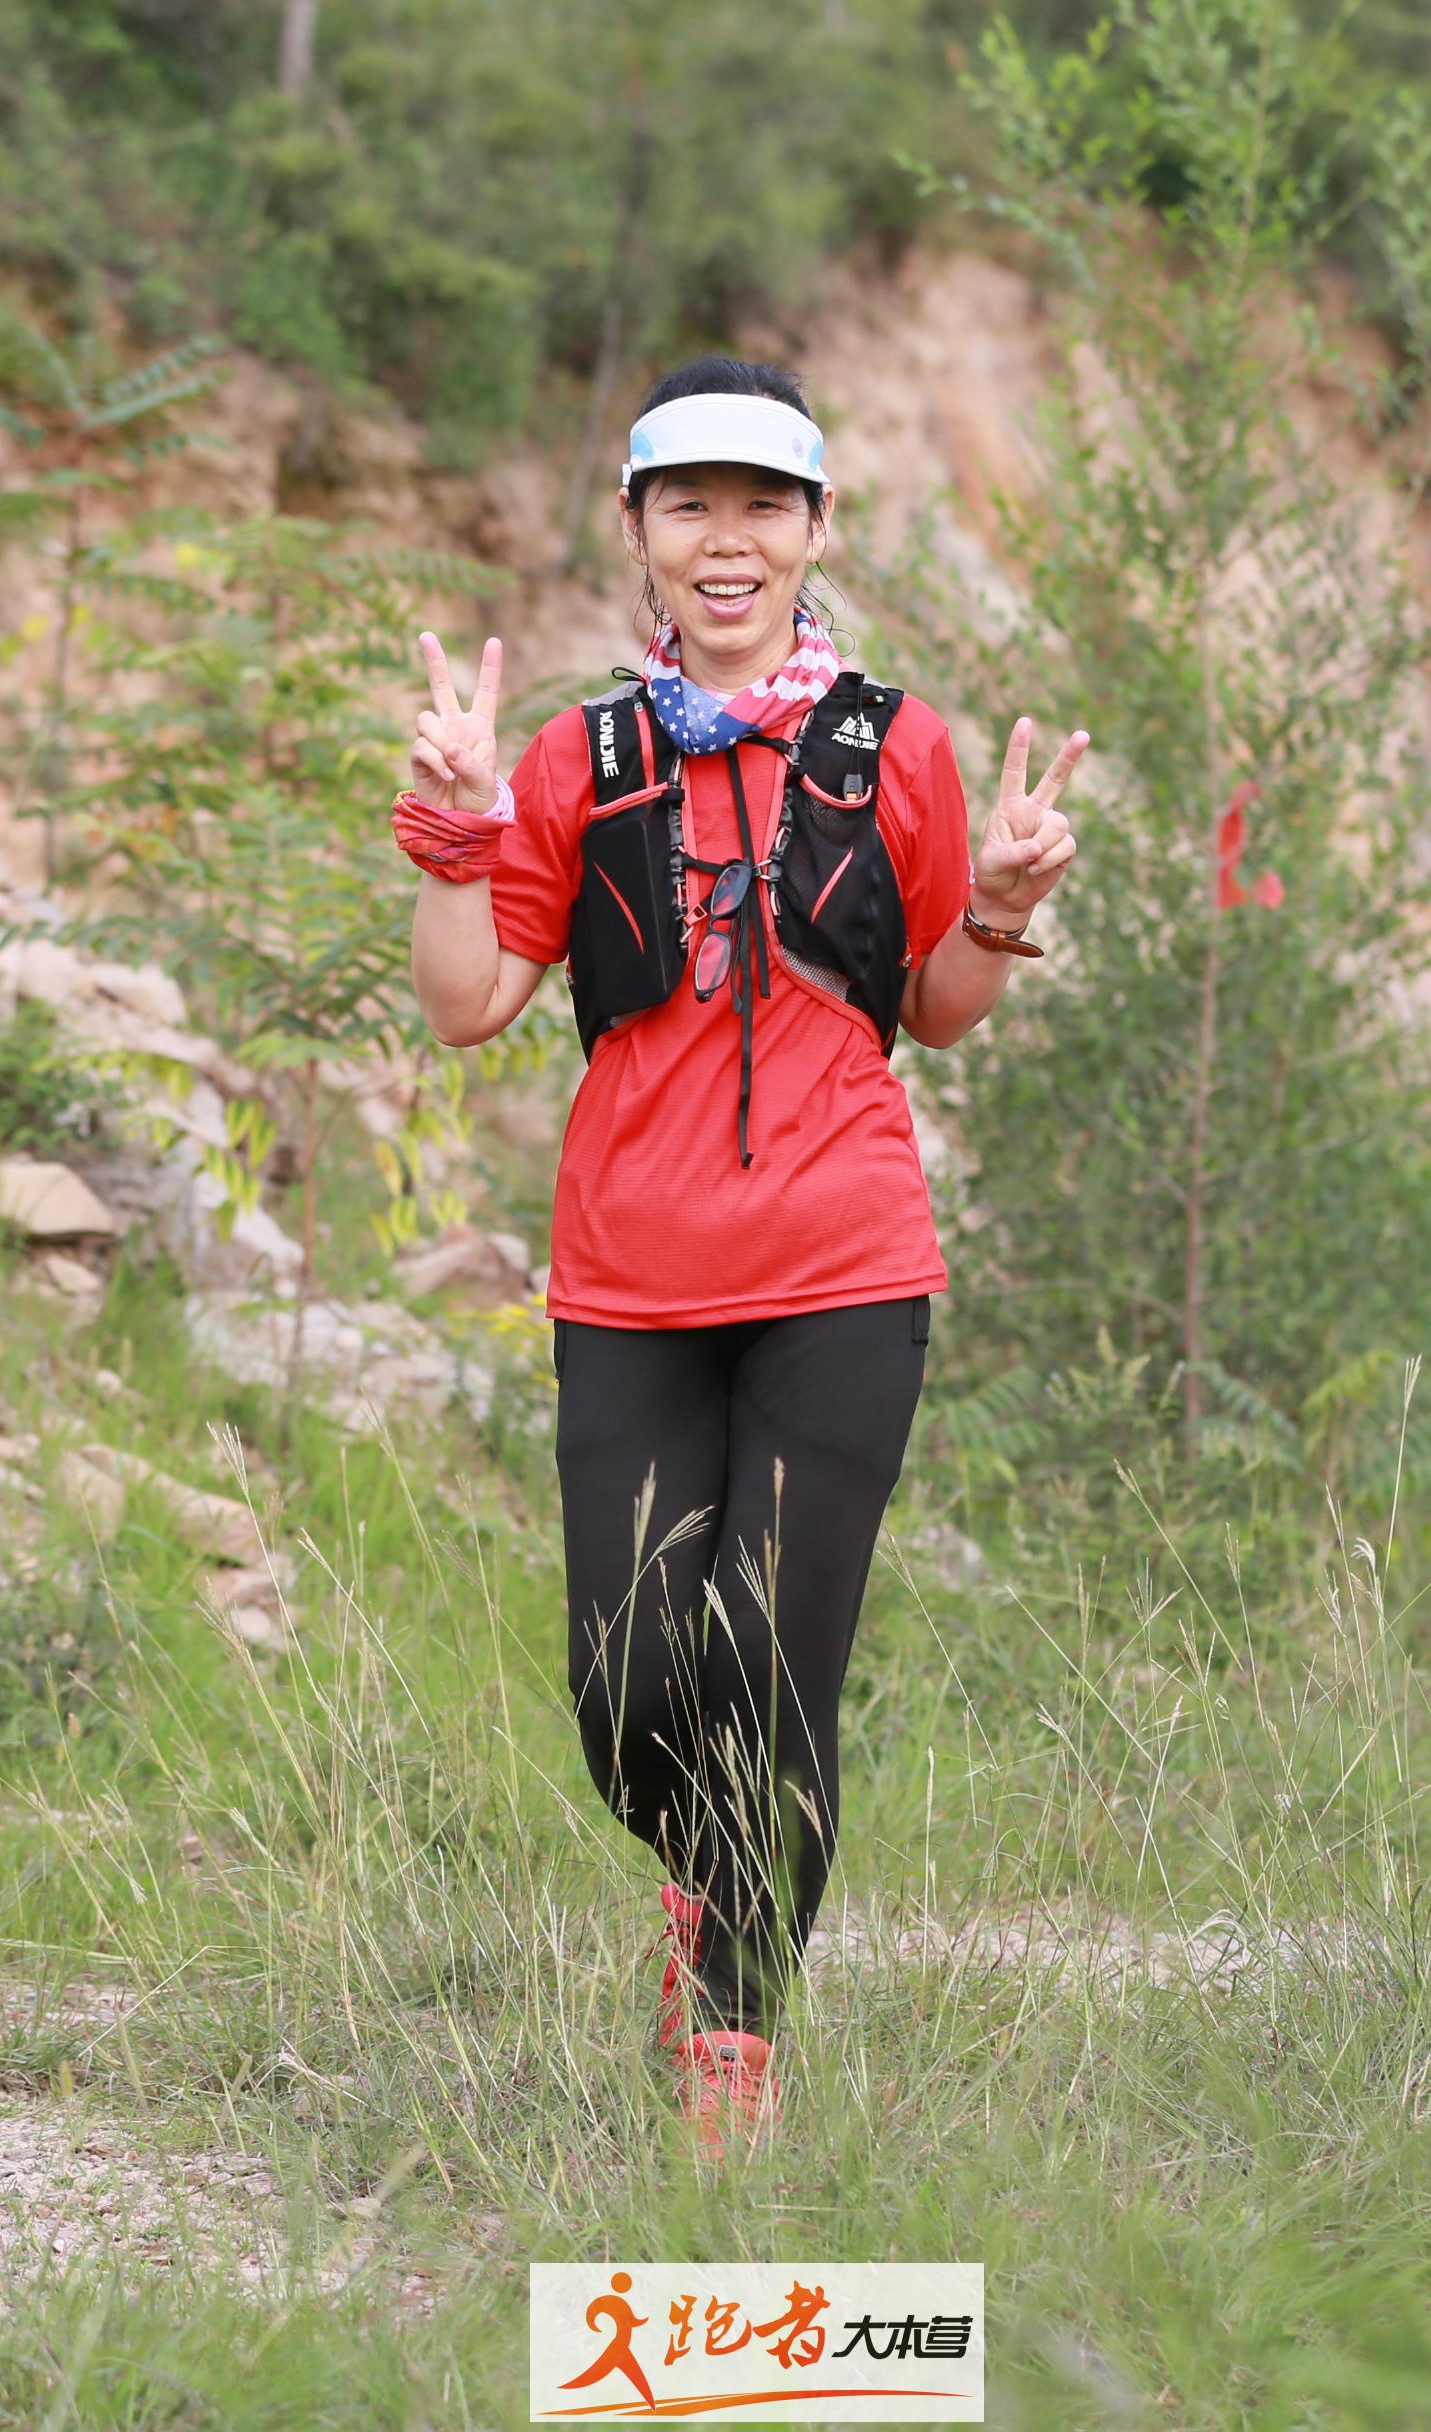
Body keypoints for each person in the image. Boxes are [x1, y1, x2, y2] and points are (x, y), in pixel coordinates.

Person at [392, 357, 1085, 2155]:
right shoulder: (578, 757)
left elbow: (939, 1007)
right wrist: (456, 831)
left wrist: (1001, 907)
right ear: (635, 530)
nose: (726, 538)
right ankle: (708, 1878)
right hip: (629, 1281)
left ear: (816, 529)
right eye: (686, 503)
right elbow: (467, 1004)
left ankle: (731, 2045)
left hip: (845, 1268)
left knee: (773, 1663)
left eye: (762, 504)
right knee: (623, 1679)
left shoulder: (893, 746)